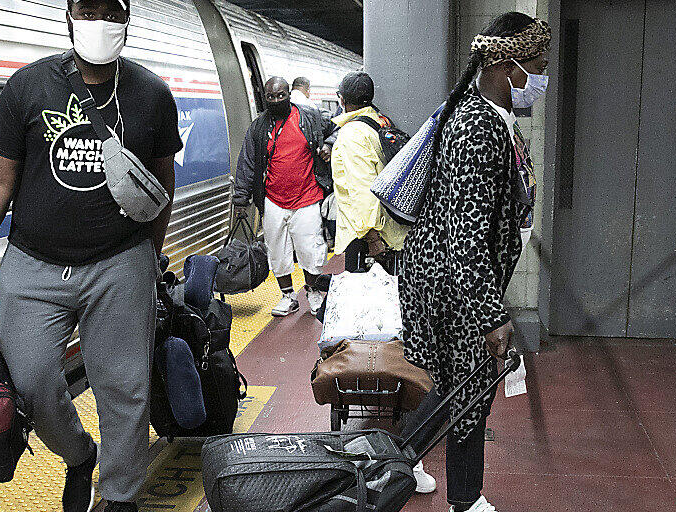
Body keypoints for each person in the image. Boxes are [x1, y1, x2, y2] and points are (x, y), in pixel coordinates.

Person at [0, 0, 183, 511]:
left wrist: (151, 254)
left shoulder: (152, 95)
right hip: (33, 263)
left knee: (124, 388)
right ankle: (79, 453)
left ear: (126, 18)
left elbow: (162, 181)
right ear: (69, 16)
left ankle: (120, 498)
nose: (98, 20)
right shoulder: (29, 86)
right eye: (86, 8)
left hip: (118, 260)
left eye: (109, 10)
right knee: (26, 381)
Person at [398, 12, 550, 512]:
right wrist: (491, 314)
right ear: (508, 67)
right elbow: (466, 236)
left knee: (446, 384)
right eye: (537, 65)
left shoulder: (486, 118)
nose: (542, 78)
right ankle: (465, 499)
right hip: (454, 285)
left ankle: (401, 464)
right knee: (472, 392)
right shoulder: (478, 129)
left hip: (449, 276)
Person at [233, 77, 334, 317]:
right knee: (277, 252)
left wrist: (329, 144)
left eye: (281, 95)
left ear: (289, 94)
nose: (276, 100)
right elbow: (246, 163)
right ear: (265, 98)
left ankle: (312, 292)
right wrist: (240, 199)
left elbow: (337, 128)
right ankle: (289, 296)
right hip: (272, 200)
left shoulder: (310, 117)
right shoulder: (258, 128)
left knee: (310, 250)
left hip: (307, 197)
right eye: (271, 97)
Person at [329, 71, 409, 274]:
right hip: (387, 228)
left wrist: (372, 238)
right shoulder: (380, 121)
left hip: (365, 236)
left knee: (363, 300)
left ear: (342, 99)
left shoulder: (352, 134)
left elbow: (362, 188)